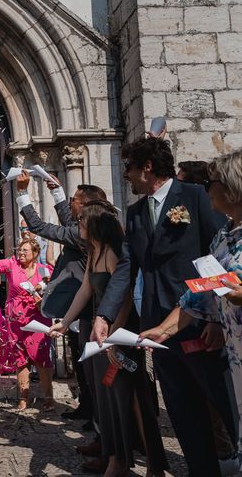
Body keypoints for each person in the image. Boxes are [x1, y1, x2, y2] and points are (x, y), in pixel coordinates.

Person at [93, 137, 236, 476]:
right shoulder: (137, 212)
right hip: (158, 329)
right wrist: (105, 315)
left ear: (147, 167)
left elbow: (221, 258)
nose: (125, 175)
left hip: (201, 324)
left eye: (128, 167)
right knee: (183, 410)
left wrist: (215, 317)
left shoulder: (197, 197)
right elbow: (128, 267)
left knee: (226, 405)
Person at [16, 171, 131, 472]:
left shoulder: (99, 244)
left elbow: (42, 226)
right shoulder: (91, 244)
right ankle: (105, 444)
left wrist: (23, 193)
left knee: (109, 390)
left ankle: (120, 453)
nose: (71, 209)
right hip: (88, 321)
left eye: (74, 203)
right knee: (95, 386)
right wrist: (64, 322)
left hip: (106, 326)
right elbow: (85, 287)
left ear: (89, 213)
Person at [50, 200, 168, 476]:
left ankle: (151, 464)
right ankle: (117, 458)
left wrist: (114, 336)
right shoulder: (94, 250)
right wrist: (65, 322)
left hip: (122, 336)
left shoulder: (115, 252)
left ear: (93, 224)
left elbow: (124, 298)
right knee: (109, 399)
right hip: (103, 337)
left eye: (80, 221)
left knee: (135, 401)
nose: (77, 225)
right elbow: (86, 289)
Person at [141, 149, 242, 452]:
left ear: (232, 188)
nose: (205, 189)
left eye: (211, 183)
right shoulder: (224, 236)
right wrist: (165, 329)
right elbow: (200, 295)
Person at [0, 238, 55, 410]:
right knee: (20, 358)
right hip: (16, 318)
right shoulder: (12, 264)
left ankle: (49, 397)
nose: (21, 253)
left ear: (35, 254)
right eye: (19, 250)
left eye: (25, 250)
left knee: (41, 357)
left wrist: (45, 300)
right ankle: (23, 397)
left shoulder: (45, 271)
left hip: (38, 318)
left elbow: (57, 289)